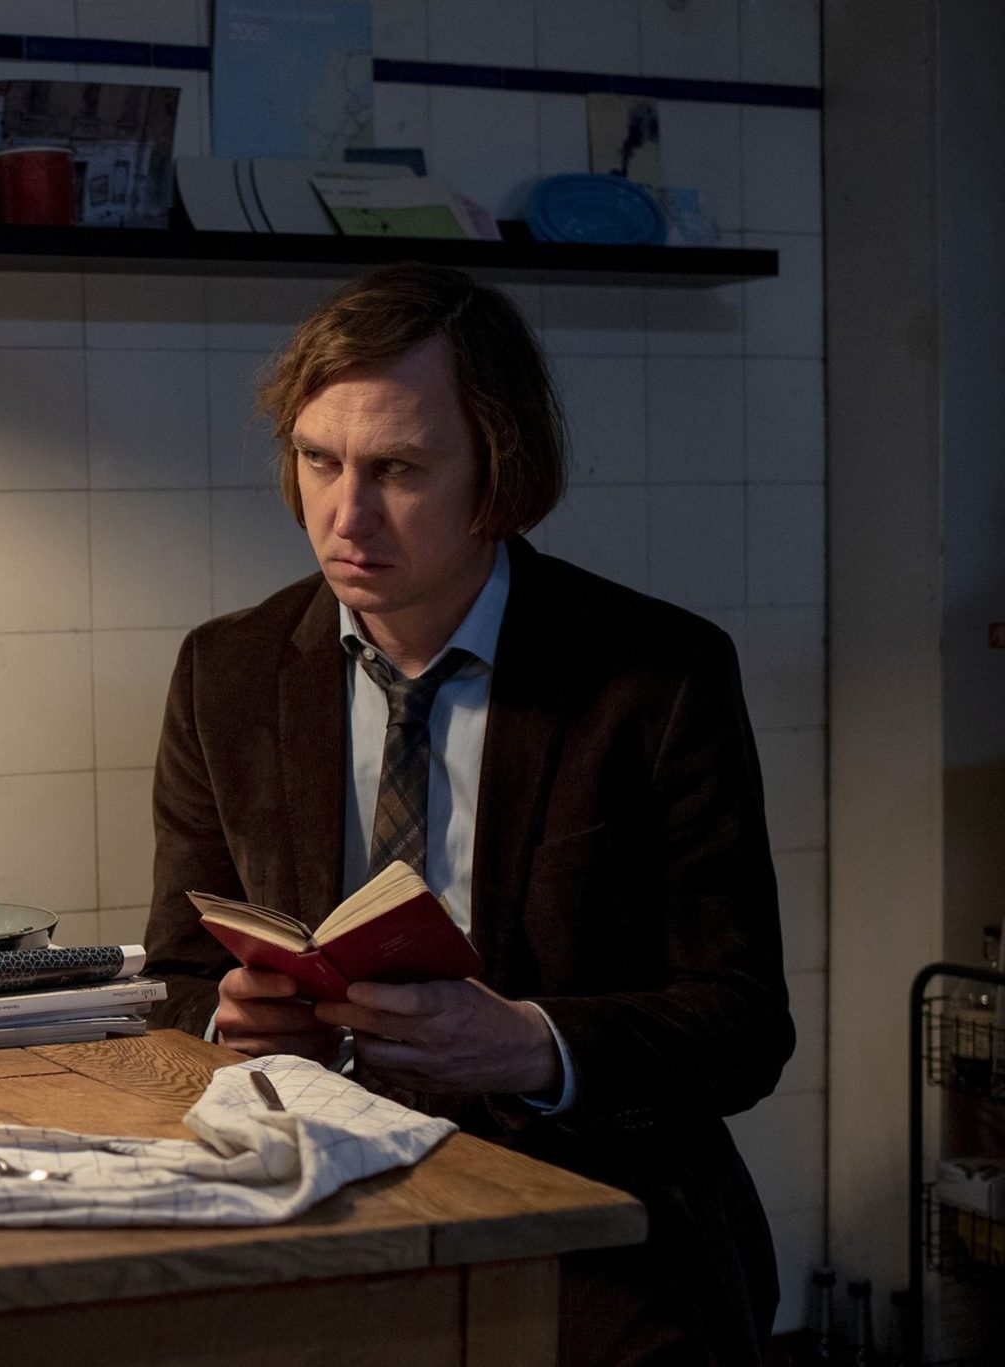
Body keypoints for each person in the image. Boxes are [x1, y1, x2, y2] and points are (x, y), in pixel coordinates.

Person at [139, 264, 794, 1365]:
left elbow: (741, 1025)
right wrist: (228, 1021)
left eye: (396, 469)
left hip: (591, 1200)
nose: (344, 515)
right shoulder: (228, 671)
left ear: (498, 468)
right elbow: (174, 971)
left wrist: (532, 1044)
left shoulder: (654, 676)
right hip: (316, 1186)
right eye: (318, 459)